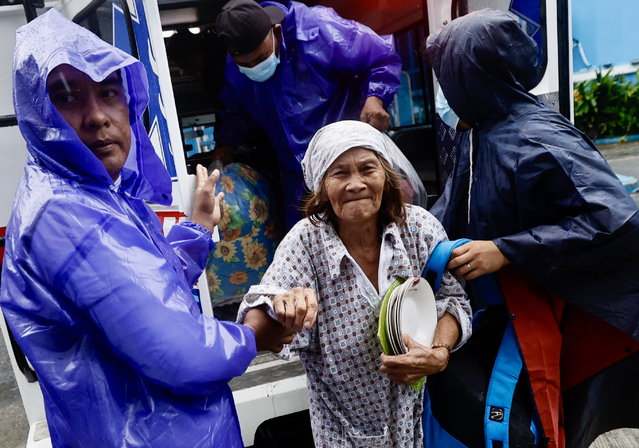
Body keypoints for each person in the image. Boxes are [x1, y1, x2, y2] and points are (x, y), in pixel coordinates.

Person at [1, 10, 314, 448]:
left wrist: (199, 226)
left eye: (109, 93)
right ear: (36, 111)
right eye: (66, 95)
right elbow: (177, 351)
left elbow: (147, 286)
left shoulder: (97, 194)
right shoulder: (62, 213)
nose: (97, 116)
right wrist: (253, 335)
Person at [426, 9, 639, 448]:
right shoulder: (483, 133)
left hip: (568, 311)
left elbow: (617, 220)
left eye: (447, 78)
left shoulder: (537, 139)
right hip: (517, 309)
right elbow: (448, 212)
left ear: (471, 77)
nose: (444, 94)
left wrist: (506, 250)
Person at [236, 120, 472, 447]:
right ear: (321, 186)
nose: (356, 183)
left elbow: (454, 301)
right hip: (345, 435)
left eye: (367, 169)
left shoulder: (418, 227)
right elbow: (259, 321)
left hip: (426, 427)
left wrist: (440, 351)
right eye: (340, 173)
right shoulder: (306, 242)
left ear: (386, 176)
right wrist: (284, 308)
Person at [214, 0, 402, 229]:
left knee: (371, 227)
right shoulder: (234, 68)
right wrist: (226, 145)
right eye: (246, 64)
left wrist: (375, 98)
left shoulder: (318, 29)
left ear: (276, 31)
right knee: (312, 241)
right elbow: (235, 111)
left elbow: (380, 57)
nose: (254, 66)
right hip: (296, 176)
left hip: (348, 159)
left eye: (260, 58)